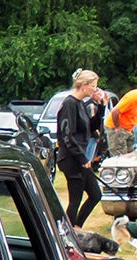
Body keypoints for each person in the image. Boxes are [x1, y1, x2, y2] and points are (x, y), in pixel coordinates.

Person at [57, 69, 103, 227]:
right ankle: (69, 233)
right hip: (71, 159)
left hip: (81, 156)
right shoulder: (69, 104)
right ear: (84, 85)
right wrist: (82, 158)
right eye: (93, 86)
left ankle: (76, 228)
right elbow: (67, 135)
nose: (95, 90)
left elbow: (91, 128)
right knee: (75, 199)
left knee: (95, 195)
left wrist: (101, 107)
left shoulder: (80, 104)